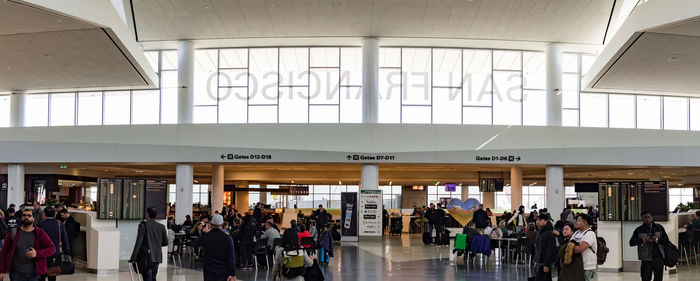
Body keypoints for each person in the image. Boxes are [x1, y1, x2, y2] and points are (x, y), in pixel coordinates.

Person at [0, 209, 56, 281]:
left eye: (29, 216)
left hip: (34, 274)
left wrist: (37, 253)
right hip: (16, 273)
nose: (26, 217)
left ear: (33, 219)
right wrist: (1, 270)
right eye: (24, 215)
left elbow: (52, 248)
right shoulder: (13, 232)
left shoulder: (40, 233)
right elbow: (4, 252)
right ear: (21, 218)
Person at [192, 214, 237, 281]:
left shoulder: (206, 236)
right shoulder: (227, 238)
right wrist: (232, 273)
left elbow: (195, 244)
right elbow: (231, 257)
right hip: (222, 270)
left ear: (210, 223)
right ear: (222, 224)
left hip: (208, 269)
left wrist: (204, 233)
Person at [129, 207, 169, 281]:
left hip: (146, 257)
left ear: (147, 214)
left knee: (147, 279)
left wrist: (133, 257)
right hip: (157, 257)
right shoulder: (162, 227)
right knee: (153, 278)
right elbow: (165, 242)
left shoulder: (143, 225)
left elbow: (138, 242)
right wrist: (156, 244)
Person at [629, 211, 670, 281]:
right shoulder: (639, 230)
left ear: (652, 218)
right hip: (646, 259)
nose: (647, 219)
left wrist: (656, 240)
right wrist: (643, 240)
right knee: (645, 278)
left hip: (658, 257)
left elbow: (666, 241)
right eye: (645, 218)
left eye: (648, 217)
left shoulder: (659, 228)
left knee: (658, 278)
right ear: (642, 219)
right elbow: (631, 243)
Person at [36, 207, 69, 281]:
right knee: (52, 274)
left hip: (43, 254)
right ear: (54, 214)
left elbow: (36, 240)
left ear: (44, 214)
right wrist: (66, 251)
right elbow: (65, 240)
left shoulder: (40, 225)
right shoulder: (60, 224)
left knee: (41, 275)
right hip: (55, 254)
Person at [571, 214, 597, 281]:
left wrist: (571, 247)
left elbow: (579, 249)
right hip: (577, 266)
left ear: (584, 223)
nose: (576, 222)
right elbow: (568, 245)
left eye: (579, 220)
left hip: (588, 267)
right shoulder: (577, 233)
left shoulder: (589, 234)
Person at [534, 214, 557, 281]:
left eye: (540, 220)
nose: (537, 222)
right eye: (537, 220)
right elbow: (538, 248)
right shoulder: (539, 232)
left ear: (545, 221)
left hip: (545, 263)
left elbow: (551, 250)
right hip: (540, 262)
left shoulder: (549, 233)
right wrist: (536, 260)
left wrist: (547, 264)